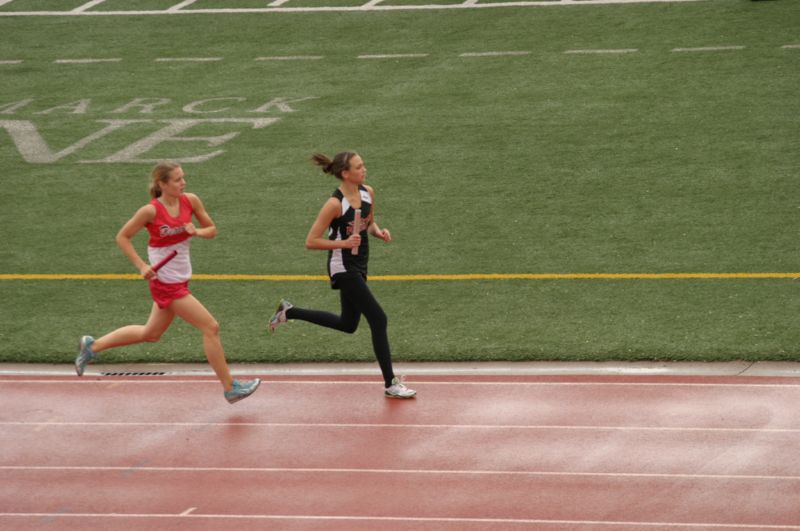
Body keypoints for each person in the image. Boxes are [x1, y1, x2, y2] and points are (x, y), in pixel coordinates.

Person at [75, 161, 260, 404]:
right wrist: (142, 265)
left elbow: (212, 229)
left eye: (183, 178)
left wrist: (197, 232)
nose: (183, 183)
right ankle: (230, 388)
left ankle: (93, 346)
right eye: (177, 179)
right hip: (166, 282)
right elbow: (123, 237)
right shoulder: (150, 211)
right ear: (162, 184)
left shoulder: (190, 200)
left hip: (181, 278)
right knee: (211, 327)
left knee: (151, 333)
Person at [268, 151, 415, 399]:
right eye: (358, 167)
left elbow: (368, 222)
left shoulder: (368, 192)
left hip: (361, 262)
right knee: (378, 319)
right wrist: (344, 244)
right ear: (345, 174)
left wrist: (379, 232)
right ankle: (390, 383)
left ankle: (288, 311)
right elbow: (311, 241)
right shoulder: (334, 204)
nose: (364, 170)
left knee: (348, 325)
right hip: (342, 265)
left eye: (363, 165)